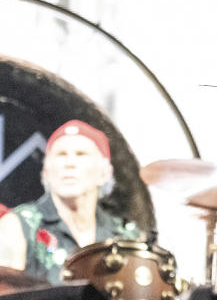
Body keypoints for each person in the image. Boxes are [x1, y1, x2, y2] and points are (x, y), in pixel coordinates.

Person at [0, 120, 140, 285]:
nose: (69, 163)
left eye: (81, 154)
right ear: (46, 171)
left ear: (104, 173)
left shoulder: (125, 235)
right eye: (61, 155)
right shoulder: (19, 225)